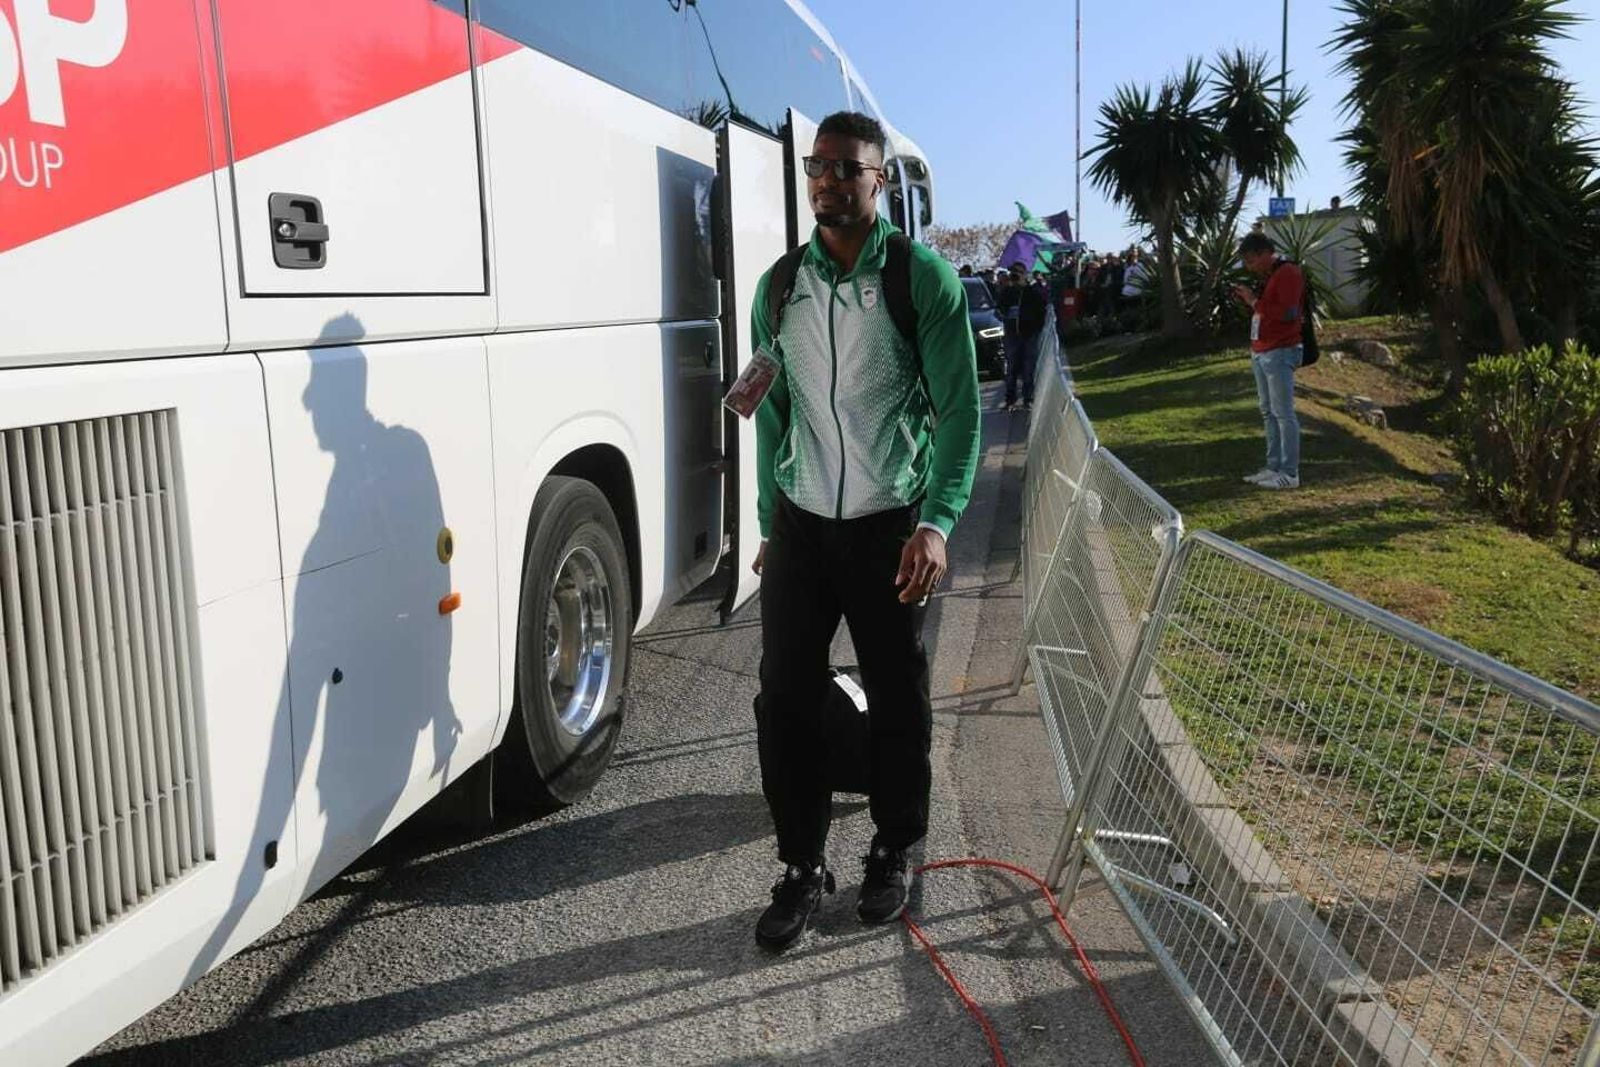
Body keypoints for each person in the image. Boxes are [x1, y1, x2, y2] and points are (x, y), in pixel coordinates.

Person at [748, 110, 982, 951]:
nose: (828, 180)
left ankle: (895, 845)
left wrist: (938, 522)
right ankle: (803, 864)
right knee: (785, 697)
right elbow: (772, 413)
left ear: (879, 182)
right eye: (818, 166)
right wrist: (771, 525)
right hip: (805, 529)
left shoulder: (921, 281)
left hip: (890, 525)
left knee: (896, 692)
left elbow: (959, 413)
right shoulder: (779, 289)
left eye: (848, 168)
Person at [1232, 231, 1304, 490]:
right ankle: (1273, 466)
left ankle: (1289, 472)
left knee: (1283, 413)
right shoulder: (1270, 275)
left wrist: (1254, 301)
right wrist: (1251, 302)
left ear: (1265, 253)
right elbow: (1267, 309)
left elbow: (1288, 313)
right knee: (1268, 411)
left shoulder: (1288, 273)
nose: (1249, 267)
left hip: (1280, 349)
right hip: (1262, 349)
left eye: (1251, 261)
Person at [1006, 261, 1046, 410]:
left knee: (1028, 369)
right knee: (1011, 369)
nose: (1014, 275)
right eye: (1012, 272)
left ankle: (1028, 399)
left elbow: (1042, 311)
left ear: (1025, 274)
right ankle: (1010, 400)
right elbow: (1000, 309)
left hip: (1029, 335)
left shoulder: (1033, 292)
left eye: (1017, 272)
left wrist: (1034, 329)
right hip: (1011, 336)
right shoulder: (1007, 292)